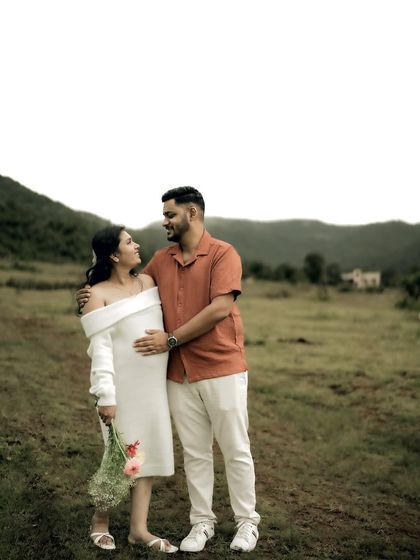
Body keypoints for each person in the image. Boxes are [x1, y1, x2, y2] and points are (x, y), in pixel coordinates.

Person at [78, 187, 260, 553]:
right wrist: (88, 293)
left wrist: (171, 339)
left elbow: (220, 309)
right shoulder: (160, 261)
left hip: (220, 366)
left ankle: (246, 523)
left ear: (191, 213)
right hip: (177, 376)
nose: (164, 221)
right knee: (194, 452)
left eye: (170, 215)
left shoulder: (223, 254)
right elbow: (121, 288)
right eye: (164, 215)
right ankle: (201, 522)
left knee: (235, 447)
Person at [79, 225, 177, 553]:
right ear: (114, 254)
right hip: (121, 390)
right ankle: (100, 521)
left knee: (144, 454)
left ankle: (139, 529)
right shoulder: (97, 293)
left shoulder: (148, 282)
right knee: (118, 455)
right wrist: (106, 396)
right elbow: (101, 350)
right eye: (129, 241)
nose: (137, 245)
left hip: (152, 388)